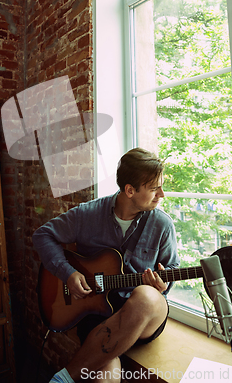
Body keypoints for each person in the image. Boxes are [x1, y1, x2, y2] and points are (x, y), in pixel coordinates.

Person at [32, 148, 180, 383]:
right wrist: (68, 273)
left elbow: (171, 267)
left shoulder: (162, 224)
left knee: (145, 295)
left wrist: (162, 283)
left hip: (142, 317)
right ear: (130, 190)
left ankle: (64, 379)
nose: (162, 194)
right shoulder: (87, 214)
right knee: (102, 378)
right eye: (154, 188)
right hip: (98, 317)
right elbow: (43, 236)